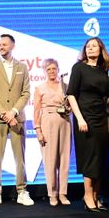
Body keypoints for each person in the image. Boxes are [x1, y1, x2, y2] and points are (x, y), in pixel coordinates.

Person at [0, 34, 33, 207]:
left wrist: (13, 112)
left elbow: (26, 93)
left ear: (12, 46)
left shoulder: (22, 67)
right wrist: (4, 114)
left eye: (4, 44)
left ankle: (22, 191)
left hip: (17, 118)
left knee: (20, 157)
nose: (1, 47)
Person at [66, 37, 109, 212]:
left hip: (101, 117)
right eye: (88, 46)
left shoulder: (103, 70)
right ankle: (87, 195)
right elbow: (71, 94)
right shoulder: (79, 68)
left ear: (100, 49)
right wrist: (80, 118)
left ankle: (96, 196)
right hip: (85, 116)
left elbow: (106, 95)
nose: (91, 48)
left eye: (94, 46)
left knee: (101, 157)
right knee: (90, 157)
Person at [33, 58, 72, 206]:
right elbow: (36, 111)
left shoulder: (65, 86)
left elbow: (70, 105)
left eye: (54, 68)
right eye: (48, 69)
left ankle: (62, 193)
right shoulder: (39, 88)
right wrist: (38, 130)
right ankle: (52, 194)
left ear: (58, 69)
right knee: (50, 160)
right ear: (44, 71)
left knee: (64, 159)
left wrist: (68, 109)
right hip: (47, 122)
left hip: (65, 122)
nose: (51, 71)